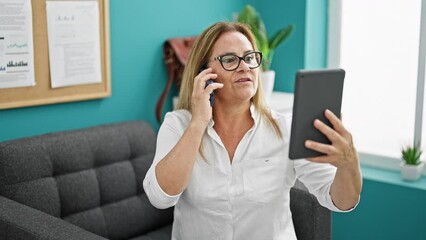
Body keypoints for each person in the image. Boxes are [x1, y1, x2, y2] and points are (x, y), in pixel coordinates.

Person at [143, 21, 362, 240]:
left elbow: (341, 201)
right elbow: (161, 198)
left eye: (249, 57)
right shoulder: (178, 125)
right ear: (204, 73)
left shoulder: (285, 128)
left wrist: (349, 163)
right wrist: (198, 122)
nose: (244, 66)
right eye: (229, 59)